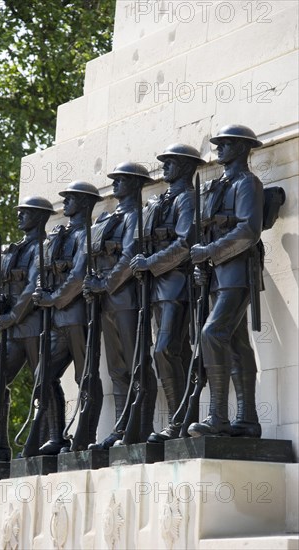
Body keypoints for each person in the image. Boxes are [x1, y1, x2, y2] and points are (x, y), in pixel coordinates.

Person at [188, 124, 264, 438]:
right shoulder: (217, 186)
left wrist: (210, 252)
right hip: (218, 274)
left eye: (226, 143)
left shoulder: (247, 183)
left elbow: (248, 230)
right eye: (219, 143)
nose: (219, 148)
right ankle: (247, 420)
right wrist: (202, 259)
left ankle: (217, 416)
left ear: (242, 148)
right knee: (236, 343)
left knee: (212, 333)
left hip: (238, 271)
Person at [0, 196, 55, 463]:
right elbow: (6, 284)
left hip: (33, 325)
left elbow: (33, 286)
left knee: (44, 384)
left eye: (24, 213)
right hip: (13, 330)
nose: (19, 217)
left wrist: (13, 314)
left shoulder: (43, 247)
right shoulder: (15, 249)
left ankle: (49, 439)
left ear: (38, 218)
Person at [130, 144, 206, 442]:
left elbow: (186, 243)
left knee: (165, 350)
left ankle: (179, 420)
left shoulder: (186, 199)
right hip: (157, 289)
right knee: (172, 352)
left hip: (177, 284)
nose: (164, 166)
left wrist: (150, 263)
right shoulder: (160, 201)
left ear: (186, 167)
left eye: (171, 162)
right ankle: (184, 419)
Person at [84, 162, 158, 449]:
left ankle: (142, 425)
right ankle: (121, 426)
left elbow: (129, 255)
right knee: (116, 369)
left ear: (135, 184)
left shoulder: (135, 216)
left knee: (137, 362)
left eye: (121, 179)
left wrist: (106, 283)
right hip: (107, 301)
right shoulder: (107, 218)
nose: (114, 183)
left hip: (127, 299)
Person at [32, 181, 103, 455]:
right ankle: (56, 435)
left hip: (77, 315)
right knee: (43, 375)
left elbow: (78, 276)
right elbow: (44, 268)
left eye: (71, 198)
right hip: (56, 319)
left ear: (84, 203)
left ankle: (86, 435)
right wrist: (42, 291)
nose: (66, 202)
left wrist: (54, 298)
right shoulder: (60, 235)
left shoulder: (87, 234)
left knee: (85, 377)